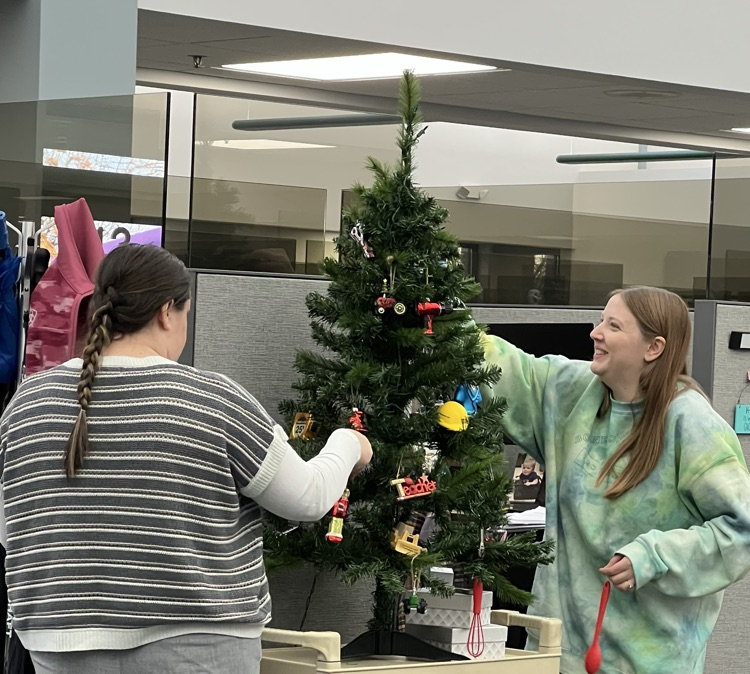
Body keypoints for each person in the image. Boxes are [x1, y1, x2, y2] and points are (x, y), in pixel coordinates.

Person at [0, 243, 372, 674]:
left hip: (57, 641)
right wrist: (348, 443)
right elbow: (307, 498)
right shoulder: (212, 400)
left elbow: (12, 532)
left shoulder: (28, 403)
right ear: (166, 312)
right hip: (197, 644)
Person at [481, 286, 750, 674]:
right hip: (558, 652)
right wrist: (441, 316)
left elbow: (740, 531)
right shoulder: (572, 393)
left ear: (653, 347)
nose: (595, 332)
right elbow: (509, 370)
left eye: (613, 325)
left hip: (647, 658)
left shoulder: (692, 424)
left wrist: (653, 556)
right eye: (600, 320)